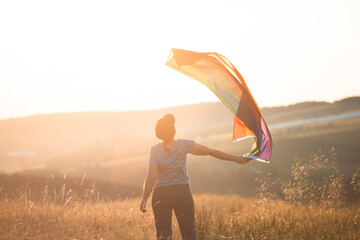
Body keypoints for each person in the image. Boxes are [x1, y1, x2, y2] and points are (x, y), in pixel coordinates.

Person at [140, 114, 250, 240]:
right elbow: (210, 151)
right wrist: (236, 159)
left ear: (157, 132)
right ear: (173, 130)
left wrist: (144, 198)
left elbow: (152, 177)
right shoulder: (183, 144)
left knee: (163, 236)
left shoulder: (154, 150)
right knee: (189, 235)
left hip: (161, 194)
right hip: (182, 192)